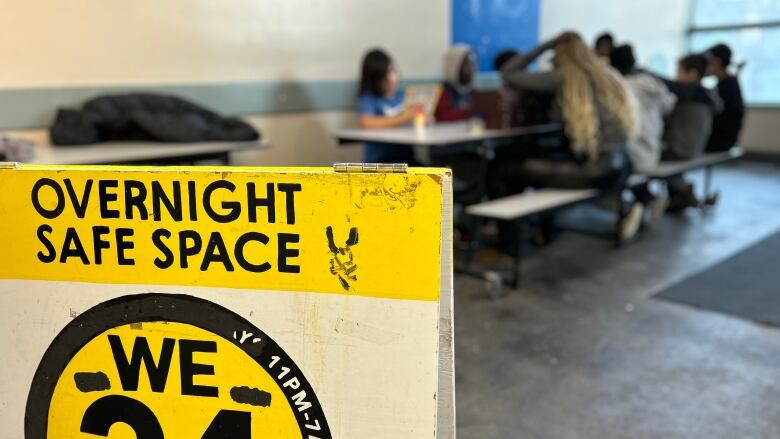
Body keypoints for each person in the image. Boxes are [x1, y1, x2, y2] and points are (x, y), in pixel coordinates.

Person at [498, 32, 642, 240]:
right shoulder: (608, 76)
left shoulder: (566, 77)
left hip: (597, 169)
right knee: (546, 163)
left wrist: (547, 44)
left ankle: (508, 241)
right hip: (622, 165)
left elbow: (508, 73)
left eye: (555, 54)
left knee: (506, 170)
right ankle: (544, 230)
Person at [611, 44, 677, 224]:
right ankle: (647, 200)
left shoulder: (620, 87)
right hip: (653, 150)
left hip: (632, 153)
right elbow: (669, 105)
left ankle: (636, 206)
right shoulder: (654, 83)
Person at [659, 53, 723, 211]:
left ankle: (680, 192)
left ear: (693, 74)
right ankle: (685, 194)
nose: (676, 76)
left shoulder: (687, 93)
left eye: (679, 71)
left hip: (679, 150)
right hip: (696, 149)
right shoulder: (709, 96)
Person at [357, 48, 418, 163]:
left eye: (393, 71)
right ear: (373, 79)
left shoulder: (404, 94)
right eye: (385, 75)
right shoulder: (369, 98)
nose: (392, 78)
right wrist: (405, 118)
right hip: (380, 161)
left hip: (406, 158)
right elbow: (367, 123)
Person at [705, 43, 745, 152]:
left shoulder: (726, 85)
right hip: (725, 139)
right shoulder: (728, 83)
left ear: (717, 62)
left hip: (720, 141)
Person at [435, 45, 477, 122]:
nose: (471, 69)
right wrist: (469, 113)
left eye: (473, 64)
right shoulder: (442, 91)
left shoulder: (474, 92)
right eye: (466, 65)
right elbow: (443, 117)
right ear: (454, 66)